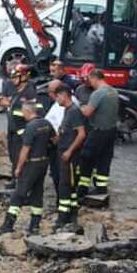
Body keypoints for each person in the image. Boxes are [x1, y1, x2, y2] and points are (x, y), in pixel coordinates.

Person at [0, 102, 55, 236]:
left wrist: (18, 168)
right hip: (43, 163)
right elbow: (55, 140)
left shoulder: (30, 127)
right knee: (37, 194)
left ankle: (7, 226)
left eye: (23, 112)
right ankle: (34, 226)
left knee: (18, 194)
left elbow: (25, 150)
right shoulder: (46, 123)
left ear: (28, 112)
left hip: (31, 164)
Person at [79, 69, 119, 198]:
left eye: (90, 80)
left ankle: (82, 187)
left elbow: (87, 113)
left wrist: (79, 106)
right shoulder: (113, 91)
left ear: (95, 78)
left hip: (98, 131)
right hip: (111, 130)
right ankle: (101, 187)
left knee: (86, 157)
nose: (90, 83)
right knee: (104, 159)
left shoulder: (98, 94)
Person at [0, 64, 38, 186]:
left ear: (24, 76)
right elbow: (1, 101)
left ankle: (21, 182)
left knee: (21, 156)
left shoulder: (29, 91)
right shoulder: (18, 91)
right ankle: (15, 179)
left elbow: (31, 112)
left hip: (22, 132)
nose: (12, 80)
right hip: (12, 128)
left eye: (16, 77)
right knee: (13, 155)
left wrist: (9, 103)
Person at [53, 84, 86, 231]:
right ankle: (72, 214)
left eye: (58, 96)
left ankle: (63, 217)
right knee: (69, 187)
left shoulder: (74, 111)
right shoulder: (67, 111)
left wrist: (69, 151)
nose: (57, 100)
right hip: (64, 153)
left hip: (70, 157)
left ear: (64, 95)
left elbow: (81, 134)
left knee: (65, 186)